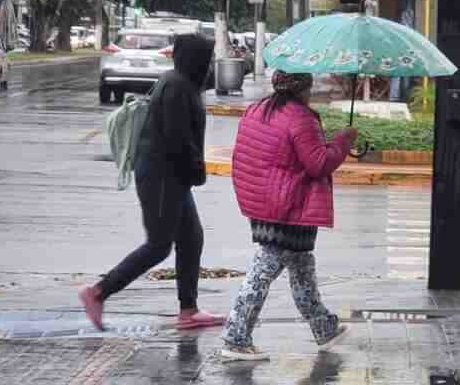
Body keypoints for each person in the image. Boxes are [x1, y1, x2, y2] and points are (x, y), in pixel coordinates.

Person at [78, 33, 226, 331]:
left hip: (173, 176)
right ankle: (97, 292)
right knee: (159, 245)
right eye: (206, 59)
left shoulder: (183, 83)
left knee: (191, 238)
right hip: (162, 176)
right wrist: (197, 169)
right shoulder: (176, 87)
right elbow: (178, 139)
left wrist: (193, 171)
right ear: (193, 59)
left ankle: (189, 310)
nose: (209, 66)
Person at [218, 71, 358, 361]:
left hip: (266, 202)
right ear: (304, 88)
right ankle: (236, 336)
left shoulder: (259, 110)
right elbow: (318, 163)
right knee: (263, 270)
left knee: (302, 266)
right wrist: (343, 141)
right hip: (289, 206)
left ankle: (324, 327)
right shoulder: (301, 118)